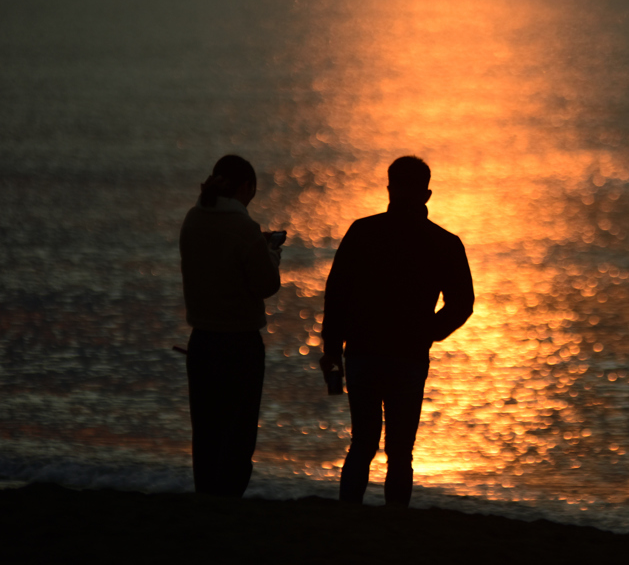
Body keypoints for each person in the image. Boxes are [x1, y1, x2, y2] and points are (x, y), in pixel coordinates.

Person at [319, 156, 474, 507]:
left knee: (363, 442)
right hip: (408, 355)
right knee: (401, 450)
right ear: (427, 194)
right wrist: (429, 331)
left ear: (389, 188)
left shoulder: (362, 232)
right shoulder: (444, 242)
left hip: (362, 351)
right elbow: (462, 303)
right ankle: (395, 520)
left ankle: (348, 515)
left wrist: (332, 348)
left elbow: (337, 294)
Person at [179, 154, 282, 497]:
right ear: (245, 187)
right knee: (238, 434)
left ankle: (206, 498)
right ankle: (229, 501)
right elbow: (266, 285)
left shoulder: (193, 220)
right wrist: (271, 252)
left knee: (206, 432)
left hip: (202, 341)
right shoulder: (244, 228)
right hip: (240, 344)